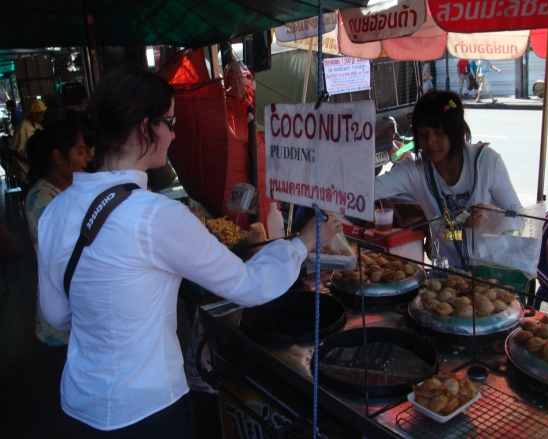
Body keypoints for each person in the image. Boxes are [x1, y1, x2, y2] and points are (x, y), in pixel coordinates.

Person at [36, 64, 342, 438]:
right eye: (170, 120)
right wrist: (302, 243)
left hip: (79, 408)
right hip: (148, 411)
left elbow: (55, 314)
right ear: (144, 128)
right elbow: (247, 285)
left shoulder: (55, 211)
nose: (175, 132)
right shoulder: (155, 216)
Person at [373, 89, 521, 268]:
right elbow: (368, 191)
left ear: (459, 130)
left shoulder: (487, 162)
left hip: (490, 275)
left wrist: (492, 219)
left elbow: (521, 220)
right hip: (446, 277)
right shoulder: (415, 171)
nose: (430, 142)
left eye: (439, 132)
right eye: (422, 133)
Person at [25, 121, 91, 351]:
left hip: (79, 309)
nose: (87, 158)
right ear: (58, 156)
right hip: (61, 319)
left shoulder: (70, 188)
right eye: (80, 152)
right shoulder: (42, 199)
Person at [7, 99, 47, 198]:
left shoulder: (36, 127)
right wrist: (30, 160)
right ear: (34, 115)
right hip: (24, 171)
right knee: (30, 196)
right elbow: (13, 149)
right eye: (41, 115)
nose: (42, 118)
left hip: (33, 170)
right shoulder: (22, 127)